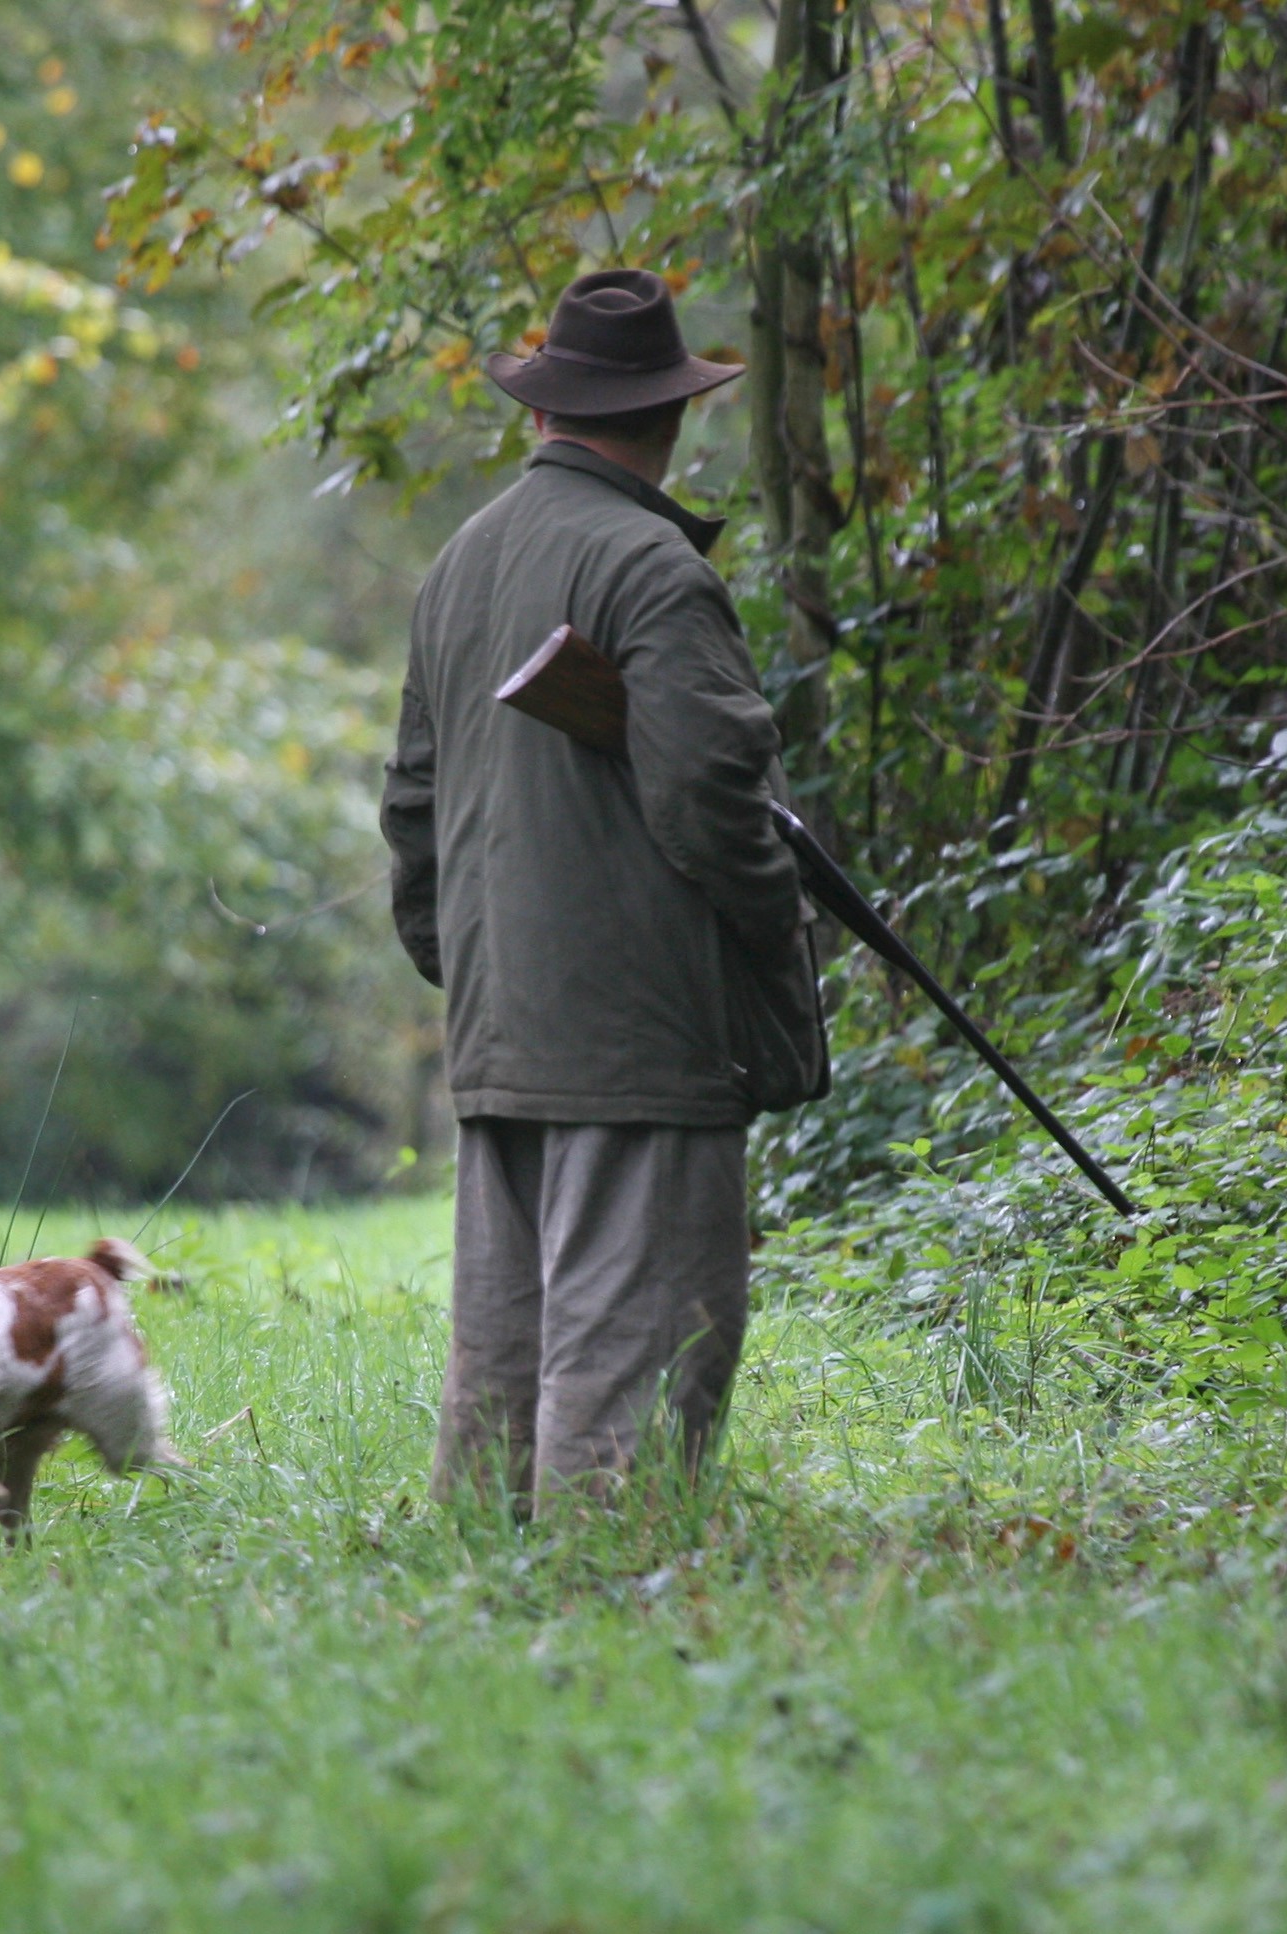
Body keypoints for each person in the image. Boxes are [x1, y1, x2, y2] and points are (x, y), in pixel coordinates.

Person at [381, 267, 827, 1516]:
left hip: (500, 1020)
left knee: (503, 1361)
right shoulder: (653, 568)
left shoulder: (458, 566)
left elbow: (410, 809)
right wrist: (765, 950)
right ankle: (607, 1593)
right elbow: (714, 804)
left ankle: (481, 1578)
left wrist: (469, 959)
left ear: (544, 414)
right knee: (633, 1361)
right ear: (671, 418)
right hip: (640, 1025)